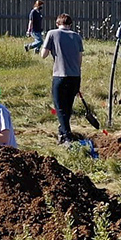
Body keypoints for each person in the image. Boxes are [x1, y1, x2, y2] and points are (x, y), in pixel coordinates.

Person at [41, 13, 84, 144]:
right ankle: (62, 131)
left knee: (59, 107)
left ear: (57, 23)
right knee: (68, 107)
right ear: (70, 25)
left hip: (60, 76)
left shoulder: (52, 33)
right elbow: (79, 60)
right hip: (75, 77)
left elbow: (43, 55)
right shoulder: (77, 36)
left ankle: (67, 136)